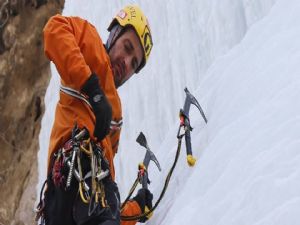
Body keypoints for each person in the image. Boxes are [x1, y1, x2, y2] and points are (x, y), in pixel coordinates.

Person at [37, 4, 154, 225]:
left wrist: (135, 209)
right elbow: (54, 29)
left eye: (134, 63)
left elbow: (102, 201)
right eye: (127, 48)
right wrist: (92, 88)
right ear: (114, 33)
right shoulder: (89, 44)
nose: (127, 63)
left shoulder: (116, 116)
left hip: (68, 207)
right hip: (70, 172)